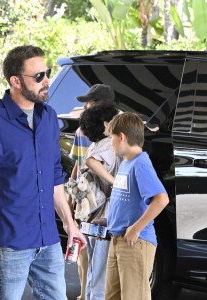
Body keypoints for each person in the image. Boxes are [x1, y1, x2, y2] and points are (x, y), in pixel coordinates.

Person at [0, 45, 86, 300]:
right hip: (11, 242)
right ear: (15, 81)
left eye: (47, 73)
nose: (47, 81)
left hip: (48, 240)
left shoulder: (48, 117)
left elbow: (55, 176)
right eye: (39, 77)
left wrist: (70, 225)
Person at [104, 112, 169, 300]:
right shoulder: (126, 163)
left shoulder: (140, 164)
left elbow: (161, 199)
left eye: (112, 138)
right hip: (118, 240)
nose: (111, 143)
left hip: (134, 243)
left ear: (122, 137)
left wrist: (136, 228)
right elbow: (126, 200)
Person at [69, 84, 116, 300]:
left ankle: (89, 295)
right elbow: (81, 164)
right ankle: (86, 295)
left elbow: (83, 164)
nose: (86, 106)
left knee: (96, 263)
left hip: (94, 211)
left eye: (91, 102)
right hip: (96, 210)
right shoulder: (88, 133)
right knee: (91, 261)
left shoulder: (112, 134)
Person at [79, 104, 122, 300]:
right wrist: (115, 182)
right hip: (102, 216)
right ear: (106, 124)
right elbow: (90, 163)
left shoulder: (94, 144)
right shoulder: (107, 146)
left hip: (89, 215)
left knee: (94, 269)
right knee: (101, 271)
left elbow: (81, 167)